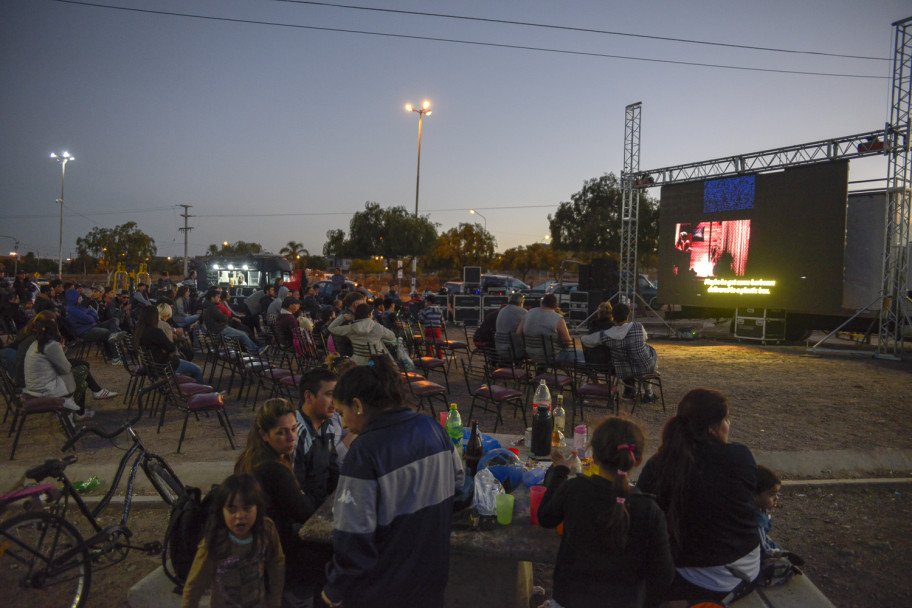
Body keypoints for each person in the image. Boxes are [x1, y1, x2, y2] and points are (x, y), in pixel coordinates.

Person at [321, 356, 465, 608]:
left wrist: (334, 590)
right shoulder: (434, 429)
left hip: (382, 592)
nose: (343, 423)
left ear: (358, 405)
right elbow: (459, 486)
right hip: (431, 583)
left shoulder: (364, 452)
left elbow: (353, 538)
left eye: (342, 413)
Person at [636, 388, 761, 604]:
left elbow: (643, 518)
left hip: (696, 575)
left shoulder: (659, 466)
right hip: (746, 567)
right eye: (727, 419)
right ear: (713, 428)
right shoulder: (740, 457)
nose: (729, 425)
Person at [538, 417, 675, 608]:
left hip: (569, 600)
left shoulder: (575, 489)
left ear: (593, 456)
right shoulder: (650, 510)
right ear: (638, 461)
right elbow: (663, 577)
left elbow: (544, 518)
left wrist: (559, 472)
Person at [235, 399, 324, 608]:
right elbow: (307, 514)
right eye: (281, 432)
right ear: (264, 435)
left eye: (294, 429)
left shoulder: (248, 457)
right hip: (273, 556)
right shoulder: (273, 469)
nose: (291, 437)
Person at [181, 473, 285, 608]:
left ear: (258, 507)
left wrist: (275, 599)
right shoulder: (215, 542)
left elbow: (277, 563)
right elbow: (194, 585)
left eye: (246, 508)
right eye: (231, 509)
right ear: (221, 511)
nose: (239, 516)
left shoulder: (266, 530)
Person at [23, 315, 95, 421]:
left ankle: (77, 410)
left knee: (79, 372)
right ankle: (76, 413)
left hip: (34, 385)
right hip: (45, 389)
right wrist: (62, 347)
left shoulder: (36, 343)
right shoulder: (51, 345)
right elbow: (66, 368)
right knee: (81, 373)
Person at [293, 368, 341, 508]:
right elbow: (295, 490)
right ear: (308, 397)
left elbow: (333, 471)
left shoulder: (328, 425)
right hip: (304, 512)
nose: (335, 402)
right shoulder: (296, 433)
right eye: (329, 395)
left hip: (322, 503)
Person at [601, 302, 658, 401]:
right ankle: (648, 393)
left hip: (623, 370)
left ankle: (630, 390)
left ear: (613, 316)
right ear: (628, 315)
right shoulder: (637, 327)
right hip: (643, 367)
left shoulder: (608, 334)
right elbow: (645, 338)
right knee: (649, 352)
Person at [134, 306, 204, 384]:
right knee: (197, 369)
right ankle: (204, 390)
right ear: (155, 317)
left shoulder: (139, 332)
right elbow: (171, 348)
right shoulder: (156, 332)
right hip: (166, 366)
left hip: (153, 367)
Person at [518, 293, 581, 364]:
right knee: (581, 354)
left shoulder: (528, 313)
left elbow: (519, 332)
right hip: (552, 356)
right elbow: (567, 341)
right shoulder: (558, 318)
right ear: (556, 306)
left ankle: (542, 370)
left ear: (542, 303)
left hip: (531, 353)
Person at [200, 288, 265, 354]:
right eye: (218, 297)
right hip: (220, 330)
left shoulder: (207, 307)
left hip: (216, 330)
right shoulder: (212, 308)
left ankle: (253, 349)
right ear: (212, 298)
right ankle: (255, 350)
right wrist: (226, 319)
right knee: (243, 334)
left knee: (243, 332)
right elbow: (224, 318)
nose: (219, 299)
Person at [328, 303, 397, 365]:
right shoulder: (377, 327)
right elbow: (392, 336)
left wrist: (342, 317)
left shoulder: (351, 328)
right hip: (377, 362)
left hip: (357, 362)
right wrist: (377, 324)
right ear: (369, 314)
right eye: (372, 313)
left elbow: (331, 328)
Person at [755, 465, 783, 557]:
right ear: (755, 495)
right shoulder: (759, 521)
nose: (776, 498)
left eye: (777, 494)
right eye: (771, 495)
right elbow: (764, 549)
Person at [495, 292, 527, 359]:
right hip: (513, 350)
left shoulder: (502, 310)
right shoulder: (523, 312)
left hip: (499, 348)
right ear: (521, 302)